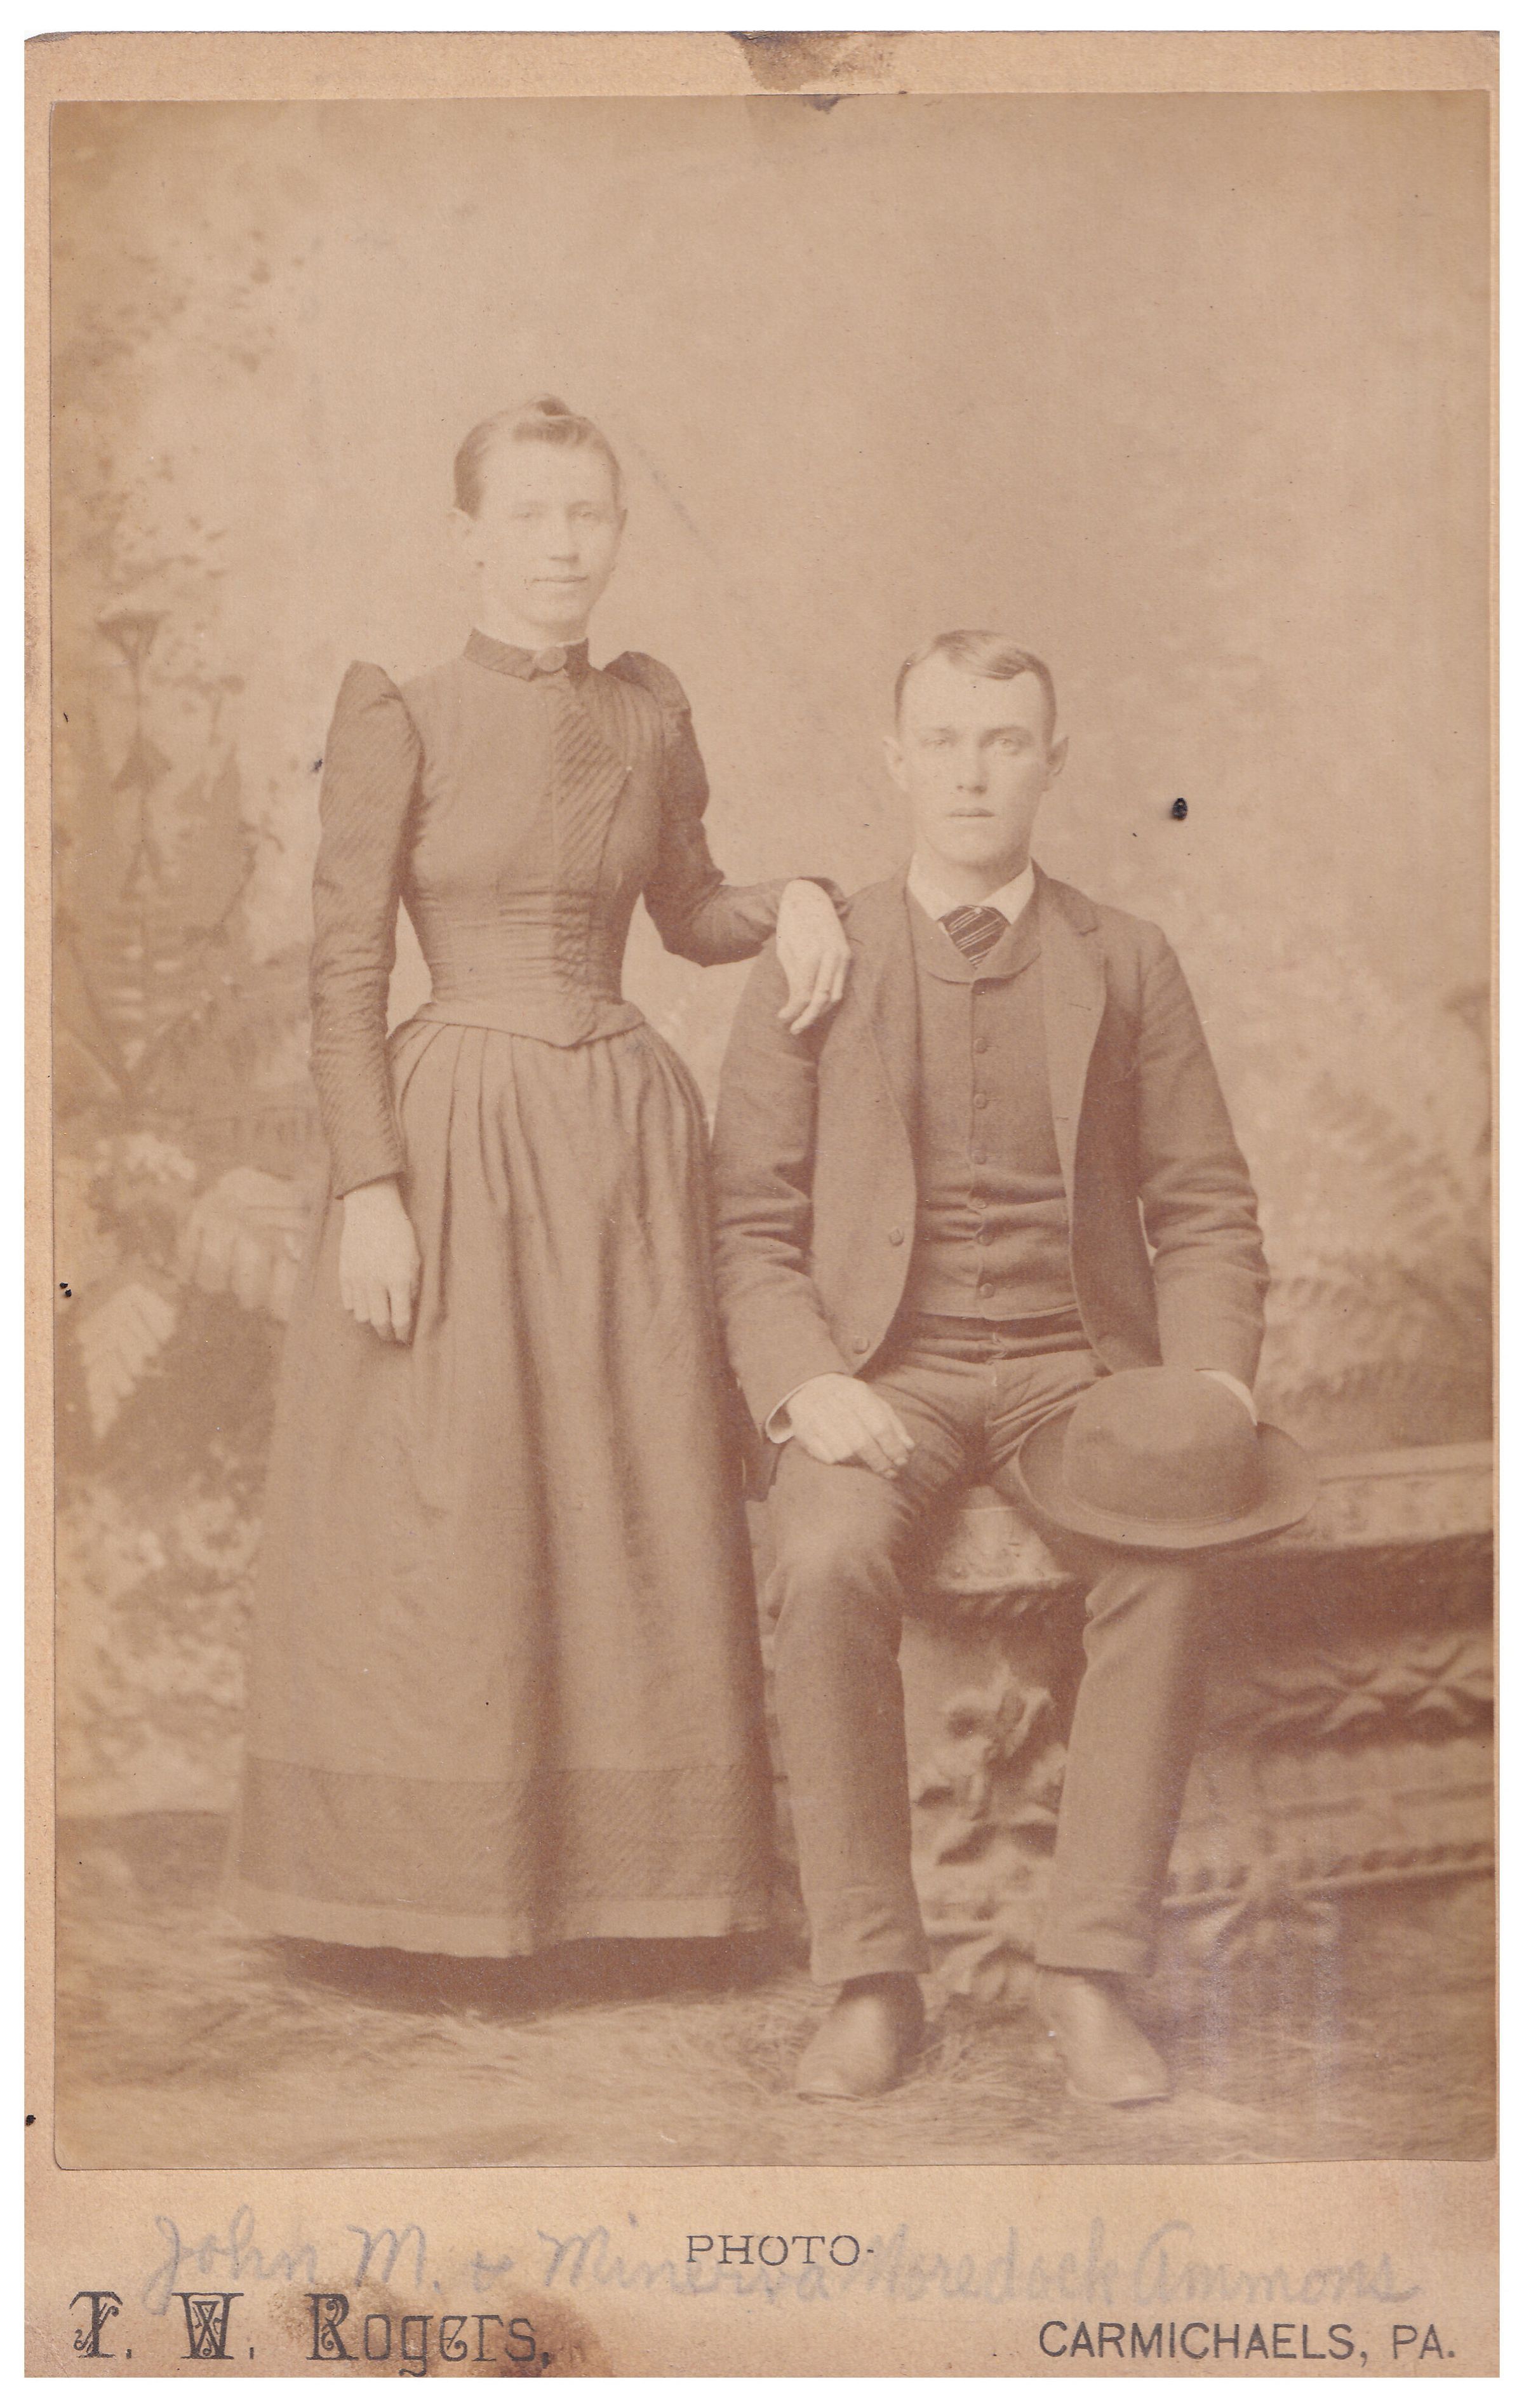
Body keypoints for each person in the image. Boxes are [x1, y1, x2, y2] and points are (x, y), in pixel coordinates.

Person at [229, 396, 850, 1961]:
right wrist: (370, 1187)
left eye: (589, 515)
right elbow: (345, 975)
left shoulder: (648, 712)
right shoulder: (405, 714)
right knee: (461, 1504)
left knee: (625, 1488)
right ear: (470, 537)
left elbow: (691, 911)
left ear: (616, 531)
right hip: (453, 1143)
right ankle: (438, 1892)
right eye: (530, 515)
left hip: (623, 1145)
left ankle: (637, 1892)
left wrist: (800, 902)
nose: (564, 546)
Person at [709, 630, 1314, 2105]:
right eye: (944, 741)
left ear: (1052, 762)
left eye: (1003, 743)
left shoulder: (1126, 957)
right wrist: (806, 1381)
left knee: (1167, 1561)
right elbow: (750, 1224)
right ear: (896, 760)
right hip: (884, 1372)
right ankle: (871, 1979)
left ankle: (1089, 1970)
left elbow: (1205, 1204)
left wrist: (1212, 1388)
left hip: (1076, 1370)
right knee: (827, 1559)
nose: (972, 773)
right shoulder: (821, 956)